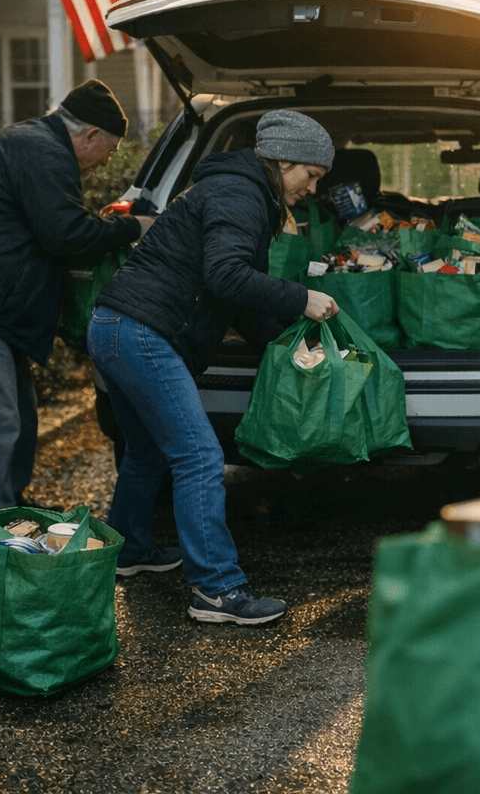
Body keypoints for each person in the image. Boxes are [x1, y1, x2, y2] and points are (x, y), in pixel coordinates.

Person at [89, 110, 339, 625]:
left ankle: (131, 550)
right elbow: (227, 276)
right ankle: (218, 591)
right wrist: (302, 299)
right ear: (284, 160)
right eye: (310, 175)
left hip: (114, 326)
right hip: (141, 333)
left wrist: (281, 345)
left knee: (145, 449)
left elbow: (238, 300)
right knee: (199, 457)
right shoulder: (240, 195)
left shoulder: (241, 191)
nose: (312, 188)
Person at [0, 80, 152, 511]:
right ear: (89, 135)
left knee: (18, 414)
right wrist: (133, 228)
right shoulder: (42, 152)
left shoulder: (36, 145)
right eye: (106, 152)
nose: (104, 162)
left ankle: (7, 506)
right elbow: (64, 233)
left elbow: (53, 222)